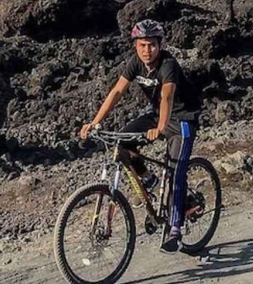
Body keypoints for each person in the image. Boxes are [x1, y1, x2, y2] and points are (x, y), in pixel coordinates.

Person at [80, 20, 202, 252]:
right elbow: (117, 91)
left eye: (152, 45)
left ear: (160, 45)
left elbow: (167, 96)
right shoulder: (135, 63)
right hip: (156, 114)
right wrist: (95, 122)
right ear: (135, 46)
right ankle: (151, 183)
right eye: (143, 45)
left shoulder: (168, 64)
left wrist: (161, 127)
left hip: (183, 117)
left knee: (176, 172)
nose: (147, 50)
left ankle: (175, 230)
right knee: (123, 142)